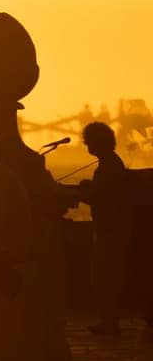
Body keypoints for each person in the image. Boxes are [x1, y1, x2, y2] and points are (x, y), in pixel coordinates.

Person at [78, 121, 133, 337]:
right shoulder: (111, 164)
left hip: (109, 231)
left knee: (104, 277)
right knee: (107, 276)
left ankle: (109, 322)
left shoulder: (107, 168)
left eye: (89, 141)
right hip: (113, 229)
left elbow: (100, 199)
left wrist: (85, 191)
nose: (87, 145)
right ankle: (109, 320)